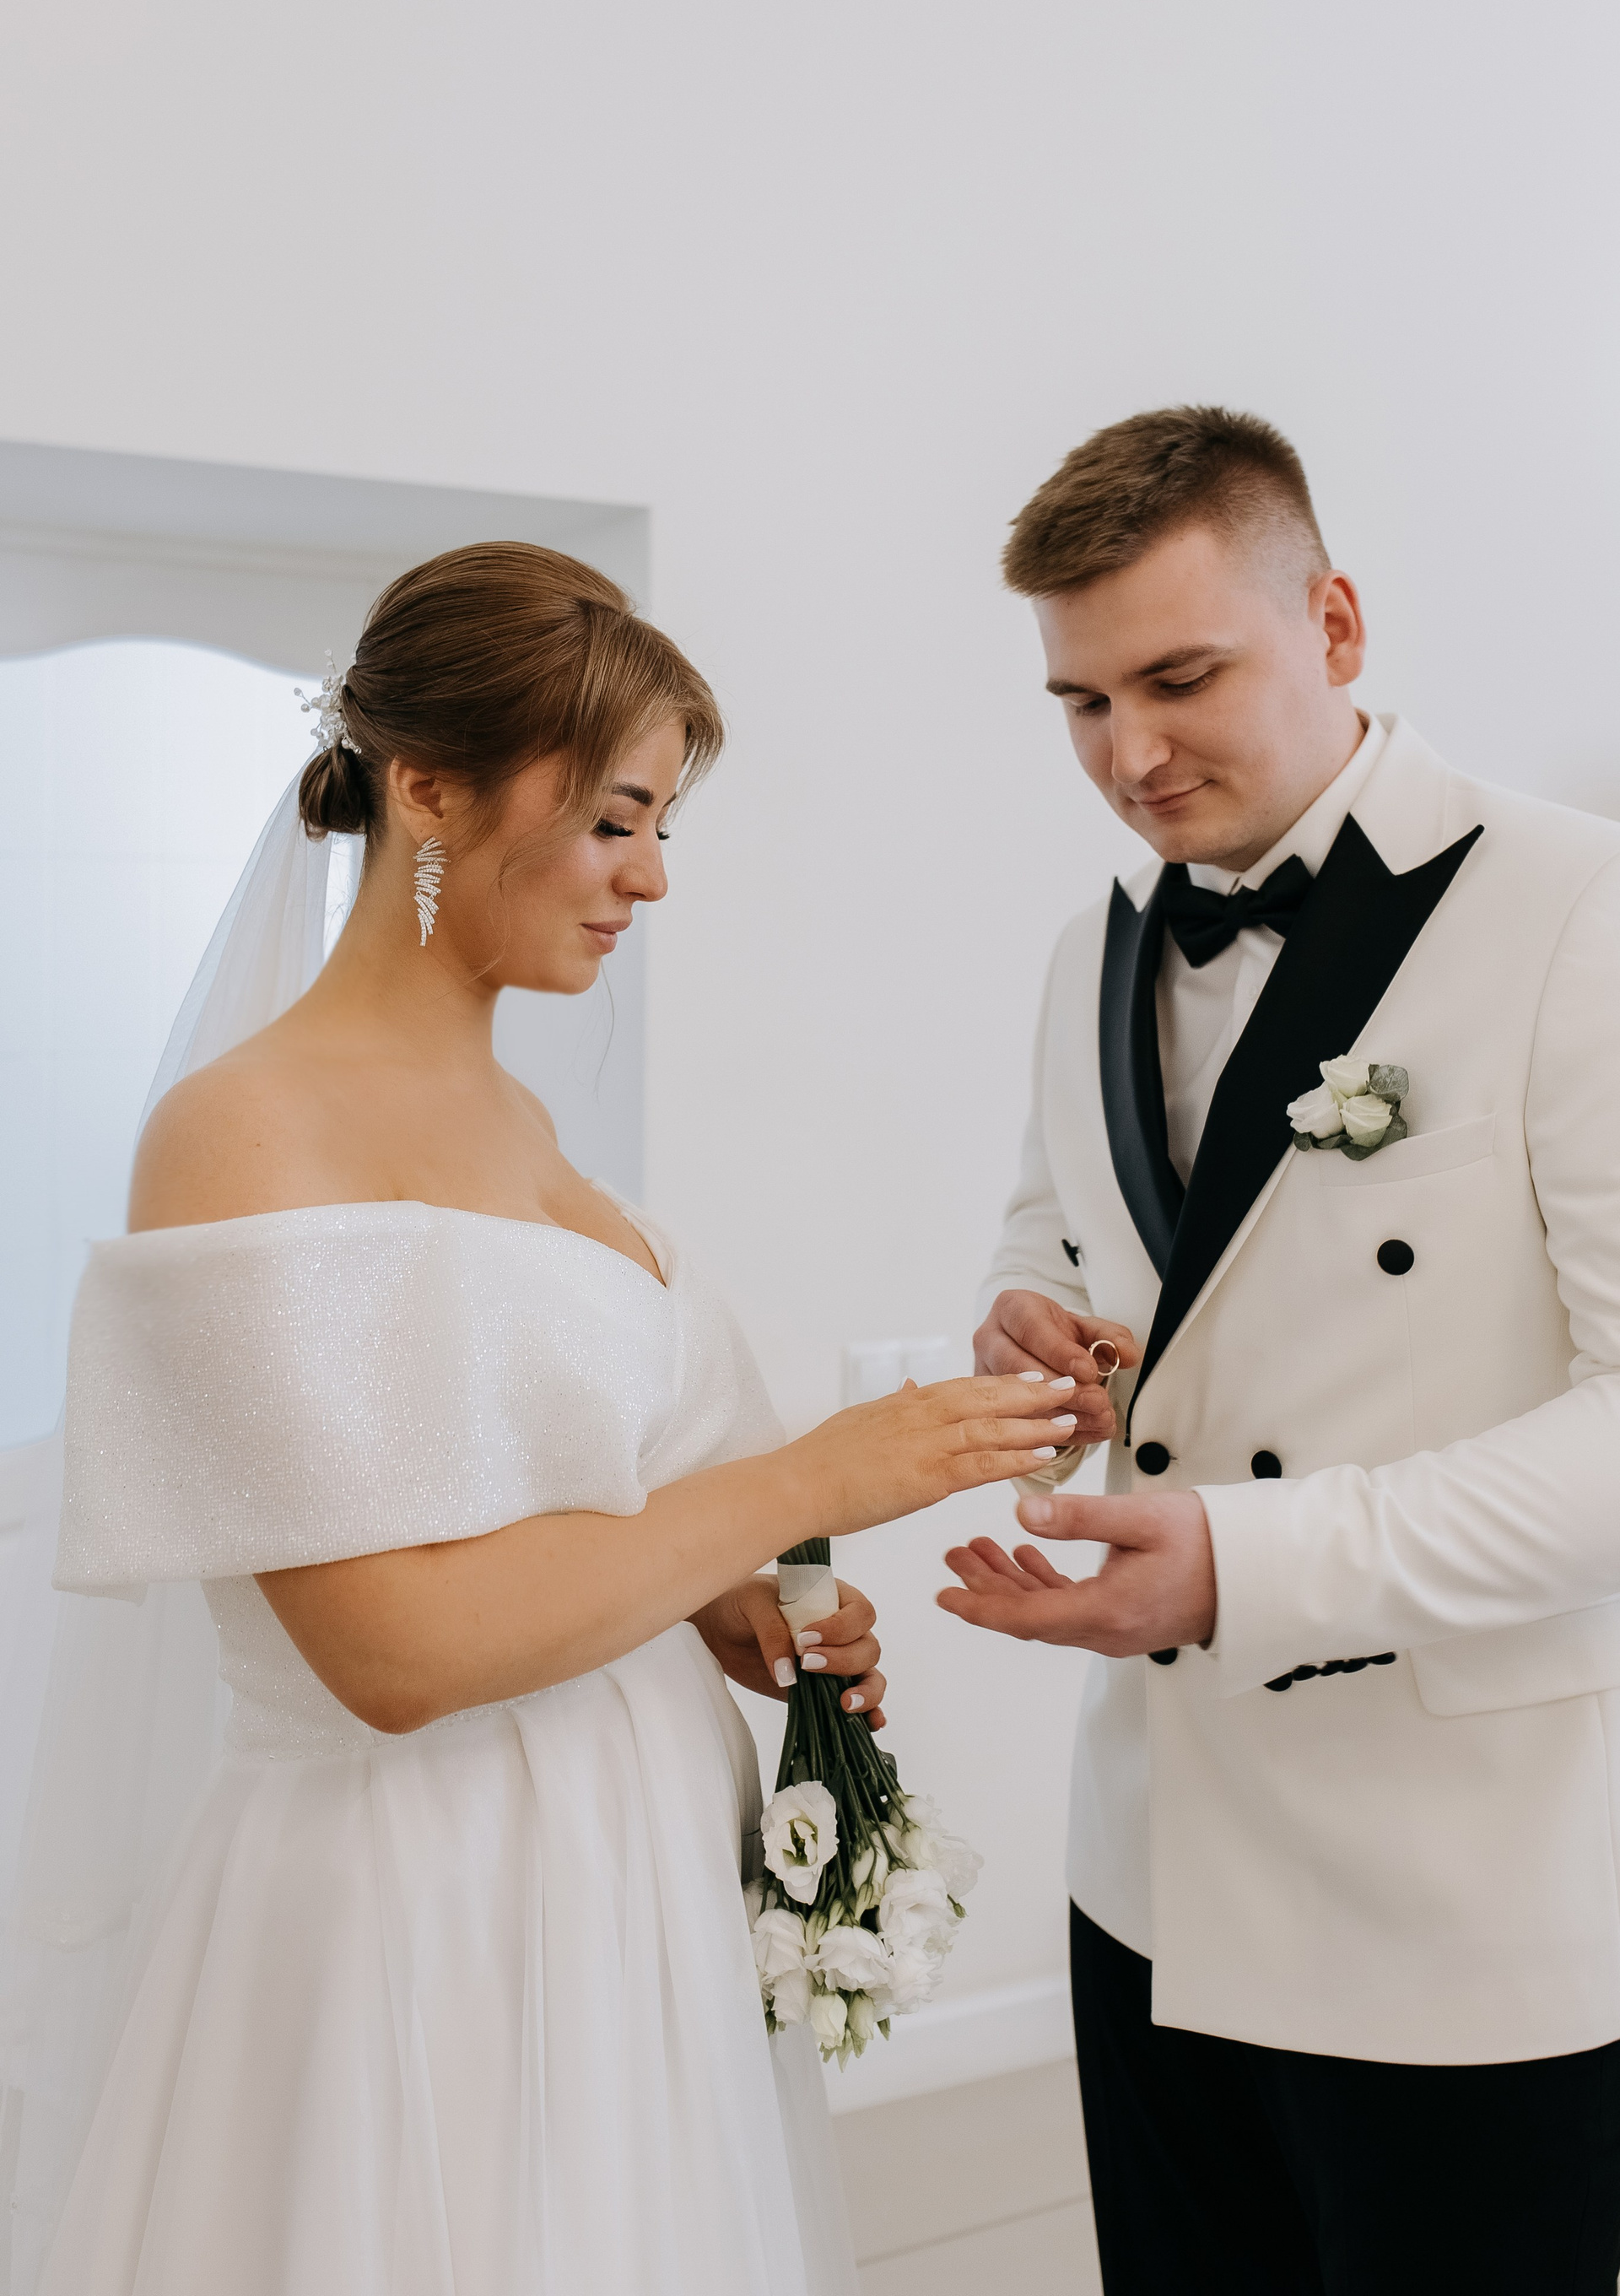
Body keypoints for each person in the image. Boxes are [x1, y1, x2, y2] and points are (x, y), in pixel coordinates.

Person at [23, 543, 1074, 2296]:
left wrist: (724, 1607)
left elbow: (551, 1515)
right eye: (613, 819)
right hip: (421, 1898)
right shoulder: (245, 1131)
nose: (651, 876)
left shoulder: (527, 1131)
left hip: (626, 1879)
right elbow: (392, 1651)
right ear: (428, 789)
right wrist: (806, 1482)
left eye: (662, 827)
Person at [940, 408, 1620, 2295]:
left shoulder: (1580, 909)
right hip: (1151, 1868)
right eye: (1082, 703)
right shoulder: (1090, 948)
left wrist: (1246, 1566)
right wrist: (1033, 1332)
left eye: (1180, 680)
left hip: (1457, 1900)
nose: (1129, 757)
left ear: (1333, 623)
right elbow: (1058, 1232)